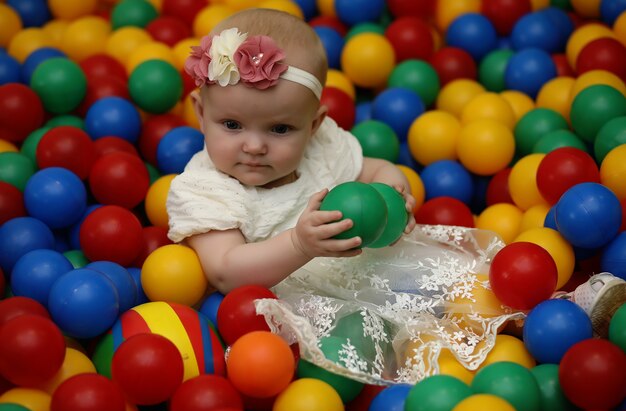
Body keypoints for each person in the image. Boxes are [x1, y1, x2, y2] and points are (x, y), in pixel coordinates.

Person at [166, 8, 625, 385]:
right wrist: (299, 245)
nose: (254, 145)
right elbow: (225, 271)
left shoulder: (321, 150)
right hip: (294, 300)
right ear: (200, 112)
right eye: (231, 126)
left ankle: (555, 309)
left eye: (279, 128)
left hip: (371, 262)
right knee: (375, 334)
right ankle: (447, 372)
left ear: (315, 125)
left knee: (458, 274)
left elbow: (375, 170)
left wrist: (392, 189)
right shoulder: (204, 189)